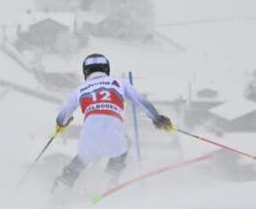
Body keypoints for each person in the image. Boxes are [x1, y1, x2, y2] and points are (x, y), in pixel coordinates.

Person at [52, 53, 173, 190]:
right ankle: (109, 181)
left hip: (90, 132)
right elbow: (141, 102)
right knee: (124, 144)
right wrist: (157, 119)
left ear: (86, 71)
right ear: (106, 69)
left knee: (82, 158)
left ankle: (62, 187)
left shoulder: (80, 89)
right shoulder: (119, 82)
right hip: (113, 129)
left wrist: (60, 125)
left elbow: (63, 114)